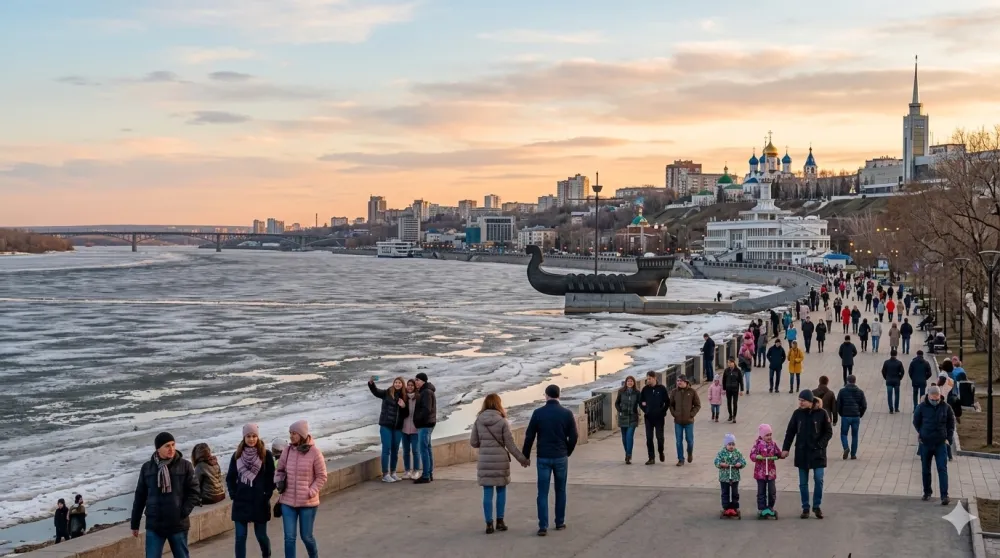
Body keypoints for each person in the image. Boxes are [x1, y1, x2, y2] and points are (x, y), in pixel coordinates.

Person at [130, 432, 200, 558]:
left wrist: (182, 512)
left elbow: (194, 492)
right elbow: (140, 496)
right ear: (158, 448)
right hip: (154, 524)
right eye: (167, 446)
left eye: (173, 445)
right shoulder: (147, 468)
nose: (171, 449)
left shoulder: (185, 466)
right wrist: (135, 523)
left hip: (177, 524)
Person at [522, 384, 578, 536]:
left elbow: (529, 436)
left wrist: (525, 456)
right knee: (560, 490)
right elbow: (574, 436)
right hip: (560, 456)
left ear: (546, 395)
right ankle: (559, 522)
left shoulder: (538, 413)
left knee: (542, 492)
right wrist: (568, 451)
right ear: (559, 395)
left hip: (543, 457)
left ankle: (543, 526)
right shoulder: (566, 413)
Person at [470, 393, 530, 534]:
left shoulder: (479, 420)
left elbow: (473, 442)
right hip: (501, 462)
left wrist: (484, 443)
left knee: (487, 492)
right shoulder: (502, 422)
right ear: (498, 404)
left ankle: (489, 524)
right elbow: (510, 445)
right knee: (501, 490)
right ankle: (500, 521)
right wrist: (523, 460)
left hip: (485, 461)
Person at [275, 420, 328, 558]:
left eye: (294, 433)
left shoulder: (315, 452)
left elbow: (322, 476)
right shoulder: (286, 451)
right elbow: (279, 470)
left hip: (307, 503)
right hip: (287, 501)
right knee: (289, 538)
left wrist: (311, 492)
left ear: (302, 434)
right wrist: (279, 481)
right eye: (290, 433)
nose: (291, 436)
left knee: (306, 537)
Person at [226, 424, 276, 558]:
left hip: (259, 502)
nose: (251, 439)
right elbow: (230, 477)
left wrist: (266, 494)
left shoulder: (266, 455)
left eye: (254, 436)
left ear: (258, 437)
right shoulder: (237, 456)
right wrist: (233, 494)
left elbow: (272, 478)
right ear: (244, 437)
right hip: (241, 502)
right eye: (248, 436)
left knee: (261, 536)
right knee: (240, 537)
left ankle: (267, 554)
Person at [781, 391, 833, 519]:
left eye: (803, 400)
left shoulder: (822, 413)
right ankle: (805, 507)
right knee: (803, 483)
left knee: (819, 479)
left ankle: (816, 506)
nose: (801, 403)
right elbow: (790, 432)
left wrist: (820, 444)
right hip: (802, 452)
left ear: (810, 401)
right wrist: (785, 448)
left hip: (817, 453)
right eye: (800, 400)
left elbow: (828, 432)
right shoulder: (797, 414)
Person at [913, 385, 956, 505]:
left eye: (937, 399)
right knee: (925, 469)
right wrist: (922, 432)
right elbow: (916, 421)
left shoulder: (946, 407)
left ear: (940, 397)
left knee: (942, 469)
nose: (935, 401)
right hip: (925, 443)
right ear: (928, 396)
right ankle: (927, 492)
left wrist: (949, 438)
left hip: (940, 443)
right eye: (933, 399)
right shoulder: (921, 407)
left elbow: (951, 423)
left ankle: (944, 495)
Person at [367, 375, 408, 482]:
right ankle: (385, 474)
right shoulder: (387, 393)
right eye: (396, 382)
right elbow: (375, 391)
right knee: (387, 449)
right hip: (386, 425)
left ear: (402, 385)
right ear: (393, 384)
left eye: (399, 382)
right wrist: (371, 383)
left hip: (398, 427)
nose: (397, 384)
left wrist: (404, 406)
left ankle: (393, 472)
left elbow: (406, 414)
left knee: (395, 450)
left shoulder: (405, 396)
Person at [750, 424, 782, 518]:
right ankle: (762, 508)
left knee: (772, 491)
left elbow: (778, 452)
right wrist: (757, 457)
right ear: (762, 436)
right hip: (760, 472)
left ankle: (770, 507)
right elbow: (752, 454)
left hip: (771, 472)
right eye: (767, 435)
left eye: (770, 435)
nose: (769, 437)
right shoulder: (758, 444)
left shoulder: (773, 444)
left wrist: (779, 455)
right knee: (761, 491)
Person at [669, 375, 701, 466]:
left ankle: (689, 453)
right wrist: (674, 414)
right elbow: (671, 404)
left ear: (685, 382)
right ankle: (680, 459)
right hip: (678, 421)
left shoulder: (692, 392)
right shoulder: (674, 392)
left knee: (690, 441)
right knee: (678, 441)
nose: (679, 382)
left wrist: (691, 414)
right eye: (678, 380)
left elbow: (697, 405)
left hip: (689, 421)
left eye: (681, 381)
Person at [639, 371, 669, 464]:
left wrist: (662, 411)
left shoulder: (661, 389)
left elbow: (667, 402)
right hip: (648, 418)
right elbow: (641, 402)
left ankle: (661, 451)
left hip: (659, 418)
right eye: (647, 378)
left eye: (650, 378)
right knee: (649, 438)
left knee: (659, 437)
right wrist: (646, 410)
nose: (648, 380)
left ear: (655, 378)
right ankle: (651, 457)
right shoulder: (645, 389)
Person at [714, 433, 746, 517]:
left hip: (735, 477)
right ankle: (726, 507)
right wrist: (721, 464)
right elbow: (716, 461)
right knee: (725, 492)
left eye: (733, 444)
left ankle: (735, 507)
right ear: (726, 444)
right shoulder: (722, 453)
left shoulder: (737, 453)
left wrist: (740, 464)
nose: (731, 446)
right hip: (724, 477)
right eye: (729, 444)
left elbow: (743, 461)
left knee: (735, 492)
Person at [413, 372, 437, 484]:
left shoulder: (426, 392)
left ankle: (426, 475)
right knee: (427, 449)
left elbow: (426, 409)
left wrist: (417, 419)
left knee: (424, 450)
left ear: (423, 380)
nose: (415, 382)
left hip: (425, 424)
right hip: (428, 424)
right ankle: (429, 473)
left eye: (417, 380)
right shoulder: (425, 391)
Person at [836, 375, 867, 460]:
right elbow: (864, 405)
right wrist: (860, 414)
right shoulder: (860, 392)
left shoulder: (842, 391)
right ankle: (853, 454)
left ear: (847, 381)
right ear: (855, 381)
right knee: (855, 435)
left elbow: (838, 404)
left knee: (843, 434)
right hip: (856, 416)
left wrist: (841, 413)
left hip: (845, 416)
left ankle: (846, 447)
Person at [614, 376, 641, 464]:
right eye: (628, 381)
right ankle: (627, 453)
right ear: (626, 382)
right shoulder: (621, 391)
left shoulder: (637, 392)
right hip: (623, 417)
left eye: (631, 381)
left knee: (629, 436)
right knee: (624, 438)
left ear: (634, 383)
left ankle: (629, 455)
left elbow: (640, 403)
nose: (630, 383)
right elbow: (617, 403)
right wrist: (620, 410)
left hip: (633, 417)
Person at [401, 379, 421, 479]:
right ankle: (407, 471)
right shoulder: (403, 398)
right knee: (405, 451)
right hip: (404, 429)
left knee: (415, 451)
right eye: (408, 385)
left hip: (415, 430)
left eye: (412, 385)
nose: (410, 387)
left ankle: (416, 471)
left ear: (415, 387)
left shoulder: (418, 398)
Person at [881, 349, 906, 414]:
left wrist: (886, 378)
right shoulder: (899, 363)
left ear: (890, 354)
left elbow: (883, 371)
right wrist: (899, 378)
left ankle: (891, 408)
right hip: (896, 381)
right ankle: (896, 408)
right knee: (897, 395)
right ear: (896, 354)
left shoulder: (886, 362)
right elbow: (902, 372)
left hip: (889, 380)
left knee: (889, 395)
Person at [721, 358, 743, 423]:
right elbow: (724, 380)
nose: (729, 364)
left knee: (735, 403)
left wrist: (741, 390)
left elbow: (741, 381)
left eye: (730, 362)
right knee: (729, 402)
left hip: (735, 389)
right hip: (728, 389)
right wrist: (724, 389)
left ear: (734, 363)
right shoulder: (726, 371)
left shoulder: (738, 371)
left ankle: (734, 416)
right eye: (728, 363)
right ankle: (730, 415)